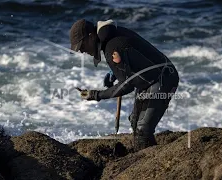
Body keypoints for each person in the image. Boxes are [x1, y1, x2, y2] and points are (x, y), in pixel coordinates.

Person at [69, 19, 179, 151]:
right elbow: (133, 57)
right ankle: (144, 156)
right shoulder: (111, 36)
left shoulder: (112, 46)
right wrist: (116, 72)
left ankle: (154, 163)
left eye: (81, 45)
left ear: (91, 36)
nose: (81, 50)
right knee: (134, 121)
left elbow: (126, 86)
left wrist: (96, 95)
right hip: (148, 80)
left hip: (163, 80)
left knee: (143, 130)